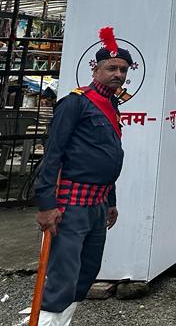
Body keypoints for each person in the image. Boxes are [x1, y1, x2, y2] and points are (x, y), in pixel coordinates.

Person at [33, 27, 129, 326]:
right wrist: (47, 204)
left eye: (123, 69)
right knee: (63, 273)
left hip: (97, 203)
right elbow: (53, 155)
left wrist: (110, 201)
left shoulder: (112, 104)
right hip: (70, 203)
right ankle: (46, 321)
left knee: (87, 270)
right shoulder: (75, 103)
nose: (118, 74)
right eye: (111, 68)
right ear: (95, 69)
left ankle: (63, 322)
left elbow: (107, 156)